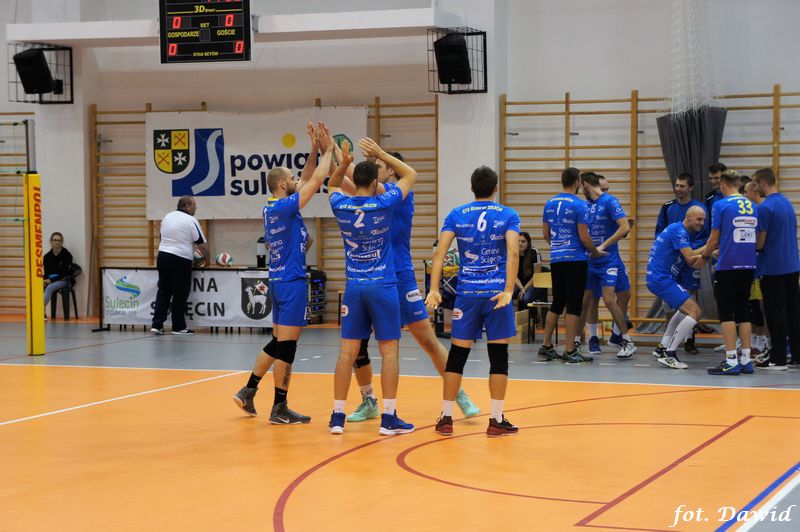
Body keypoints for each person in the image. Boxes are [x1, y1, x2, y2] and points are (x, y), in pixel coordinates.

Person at [323, 137, 480, 423]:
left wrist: (353, 155)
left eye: (379, 164)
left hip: (400, 277)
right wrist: (333, 150)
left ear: (391, 170)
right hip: (372, 278)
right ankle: (369, 401)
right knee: (357, 347)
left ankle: (459, 393)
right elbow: (349, 180)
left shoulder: (397, 194)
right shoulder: (373, 198)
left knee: (427, 339)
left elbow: (351, 179)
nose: (374, 167)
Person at [233, 123, 333, 423]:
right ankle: (279, 407)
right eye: (290, 178)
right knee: (287, 347)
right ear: (281, 184)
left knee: (279, 342)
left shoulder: (273, 207)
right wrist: (329, 150)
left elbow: (306, 178)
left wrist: (314, 150)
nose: (295, 180)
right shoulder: (286, 208)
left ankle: (248, 390)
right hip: (291, 282)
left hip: (278, 281)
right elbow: (316, 180)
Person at [327, 137, 417, 435]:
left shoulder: (340, 204)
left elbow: (333, 184)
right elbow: (410, 175)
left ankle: (337, 417)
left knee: (346, 353)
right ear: (377, 182)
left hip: (354, 287)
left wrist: (341, 162)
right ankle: (388, 418)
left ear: (355, 182)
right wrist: (380, 153)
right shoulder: (385, 203)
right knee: (389, 352)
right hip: (383, 285)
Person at [425, 165, 520, 437]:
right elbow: (513, 252)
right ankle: (496, 420)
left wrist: (434, 288)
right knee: (498, 356)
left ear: (472, 188)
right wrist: (509, 290)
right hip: (496, 295)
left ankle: (446, 418)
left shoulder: (457, 214)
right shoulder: (508, 215)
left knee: (457, 355)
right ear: (496, 188)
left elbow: (439, 254)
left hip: (467, 294)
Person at [538, 168, 604, 363]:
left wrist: (558, 247)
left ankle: (546, 345)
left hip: (556, 259)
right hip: (575, 259)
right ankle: (569, 350)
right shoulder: (580, 205)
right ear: (577, 182)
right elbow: (584, 237)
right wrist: (595, 252)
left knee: (557, 302)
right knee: (574, 303)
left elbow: (545, 234)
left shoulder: (549, 203)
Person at [696, 171, 758, 375]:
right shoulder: (752, 205)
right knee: (743, 310)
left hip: (728, 265)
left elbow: (714, 238)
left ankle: (731, 360)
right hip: (749, 265)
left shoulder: (720, 205)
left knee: (726, 312)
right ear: (738, 183)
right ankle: (746, 359)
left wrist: (704, 257)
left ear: (722, 184)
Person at [579, 172, 635, 358]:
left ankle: (622, 337)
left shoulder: (610, 201)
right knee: (589, 299)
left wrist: (603, 245)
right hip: (590, 260)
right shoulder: (585, 205)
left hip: (610, 259)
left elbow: (624, 227)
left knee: (618, 296)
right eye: (604, 188)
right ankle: (592, 338)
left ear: (585, 185)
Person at [654, 173, 710, 355]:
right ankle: (669, 350)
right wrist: (710, 248)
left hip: (682, 263)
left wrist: (700, 250)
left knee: (687, 303)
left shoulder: (698, 211)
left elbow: (703, 236)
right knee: (684, 307)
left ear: (690, 188)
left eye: (682, 186)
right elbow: (662, 235)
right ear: (688, 217)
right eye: (677, 185)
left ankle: (676, 343)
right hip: (669, 269)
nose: (678, 189)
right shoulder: (671, 213)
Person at [647, 207, 706, 369]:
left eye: (704, 220)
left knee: (683, 311)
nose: (702, 223)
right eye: (699, 219)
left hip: (661, 278)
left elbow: (690, 259)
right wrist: (710, 247)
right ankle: (670, 354)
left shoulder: (678, 229)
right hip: (661, 279)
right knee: (695, 312)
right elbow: (690, 258)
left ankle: (662, 347)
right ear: (688, 217)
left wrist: (707, 253)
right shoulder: (678, 231)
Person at [753, 167, 800, 370]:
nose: (755, 188)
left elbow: (760, 243)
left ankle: (778, 358)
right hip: (792, 265)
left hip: (773, 268)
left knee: (775, 314)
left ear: (762, 183)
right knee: (793, 312)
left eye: (755, 184)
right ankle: (797, 355)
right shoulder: (786, 203)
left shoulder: (765, 208)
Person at [151, 196, 209, 335]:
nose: (196, 207)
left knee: (164, 290)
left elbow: (162, 238)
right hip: (180, 259)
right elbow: (201, 244)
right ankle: (178, 327)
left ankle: (157, 325)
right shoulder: (191, 220)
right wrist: (208, 259)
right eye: (194, 204)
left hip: (162, 256)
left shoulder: (167, 217)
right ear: (187, 206)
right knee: (180, 293)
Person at [43, 232, 74, 308]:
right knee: (36, 285)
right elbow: (46, 272)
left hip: (64, 280)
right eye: (55, 240)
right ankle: (41, 311)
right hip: (51, 279)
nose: (57, 242)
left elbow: (65, 273)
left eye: (59, 240)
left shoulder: (67, 255)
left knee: (50, 287)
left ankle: (39, 309)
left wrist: (51, 280)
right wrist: (45, 280)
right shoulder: (47, 256)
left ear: (62, 242)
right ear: (51, 242)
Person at [514, 231, 540, 311]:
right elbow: (513, 275)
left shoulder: (534, 252)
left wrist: (524, 289)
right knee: (507, 294)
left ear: (528, 243)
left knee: (526, 298)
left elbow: (537, 275)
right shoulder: (513, 254)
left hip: (532, 284)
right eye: (518, 241)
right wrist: (522, 288)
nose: (520, 244)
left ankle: (532, 316)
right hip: (518, 284)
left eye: (523, 241)